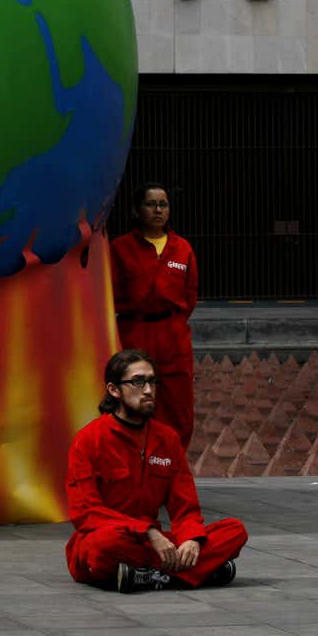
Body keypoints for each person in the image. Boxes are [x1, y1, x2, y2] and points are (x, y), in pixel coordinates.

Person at [65, 350, 245, 593]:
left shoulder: (167, 438)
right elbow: (85, 513)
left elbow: (186, 507)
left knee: (234, 530)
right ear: (114, 390)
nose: (148, 390)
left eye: (152, 381)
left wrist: (192, 539)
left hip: (155, 544)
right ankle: (196, 572)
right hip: (114, 539)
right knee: (101, 547)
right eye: (138, 382)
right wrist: (147, 532)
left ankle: (147, 577)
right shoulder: (89, 440)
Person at [108, 182, 199, 448]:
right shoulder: (121, 248)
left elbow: (189, 295)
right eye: (151, 204)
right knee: (134, 399)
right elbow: (112, 290)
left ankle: (172, 466)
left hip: (173, 336)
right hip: (135, 333)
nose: (158, 210)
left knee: (178, 406)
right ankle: (136, 462)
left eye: (163, 204)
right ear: (137, 210)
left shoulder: (182, 249)